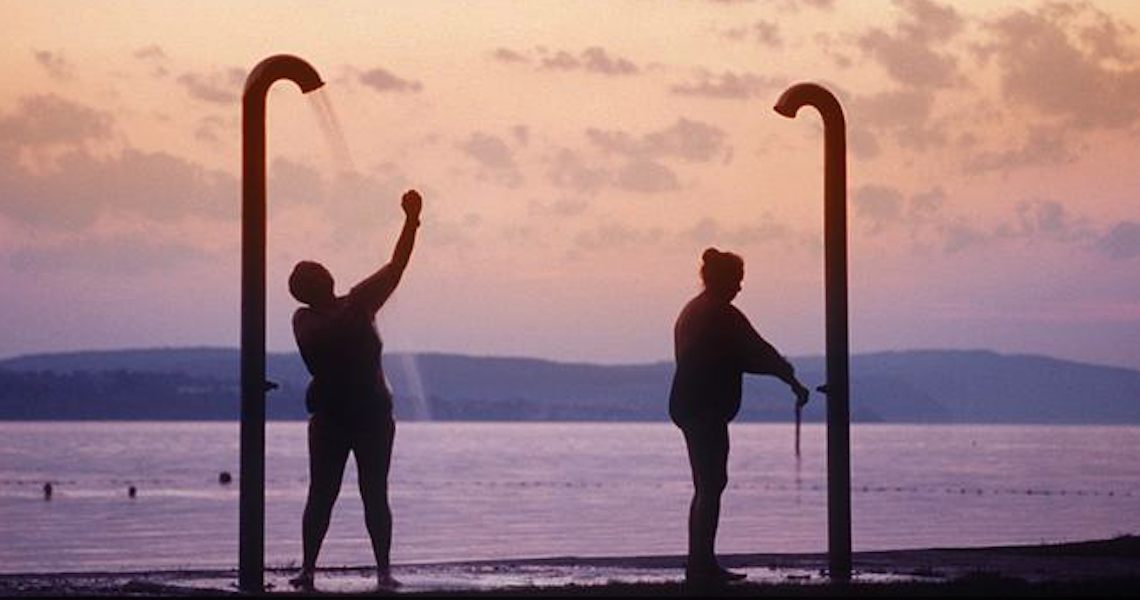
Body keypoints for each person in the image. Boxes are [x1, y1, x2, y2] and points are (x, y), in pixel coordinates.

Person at [287, 189, 422, 591]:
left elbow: (397, 265)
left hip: (373, 416)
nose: (315, 274)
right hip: (332, 418)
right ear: (304, 290)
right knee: (322, 493)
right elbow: (322, 343)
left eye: (315, 269)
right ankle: (308, 571)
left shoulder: (359, 302)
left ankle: (383, 572)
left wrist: (411, 220)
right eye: (306, 275)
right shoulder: (306, 319)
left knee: (375, 493)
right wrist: (357, 303)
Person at [669, 247, 811, 586]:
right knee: (712, 484)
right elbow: (757, 351)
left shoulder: (693, 310)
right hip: (705, 409)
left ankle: (699, 561)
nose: (740, 288)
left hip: (688, 404)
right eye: (737, 281)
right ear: (723, 280)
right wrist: (791, 378)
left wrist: (782, 374)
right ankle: (702, 565)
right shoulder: (721, 313)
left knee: (705, 485)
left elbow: (744, 353)